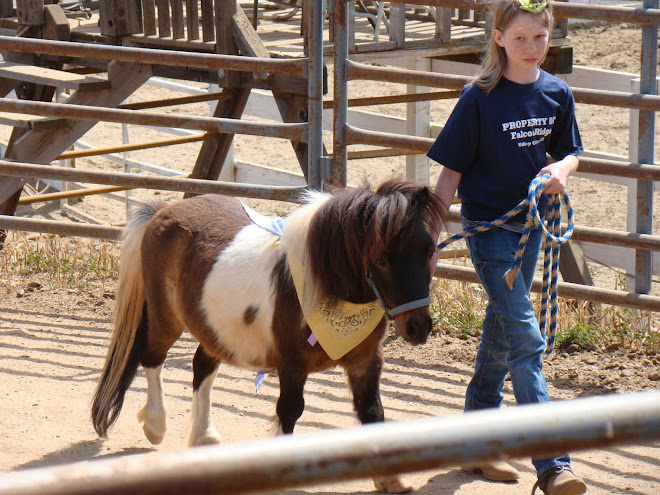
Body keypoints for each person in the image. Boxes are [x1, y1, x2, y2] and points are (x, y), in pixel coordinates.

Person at [426, 1, 587, 494]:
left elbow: (570, 151)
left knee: (500, 334)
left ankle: (477, 442)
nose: (532, 48)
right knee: (526, 339)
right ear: (498, 39)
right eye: (520, 38)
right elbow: (450, 173)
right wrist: (428, 240)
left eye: (540, 37)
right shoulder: (479, 98)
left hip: (532, 226)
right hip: (490, 232)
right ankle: (552, 464)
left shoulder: (557, 93)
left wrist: (562, 170)